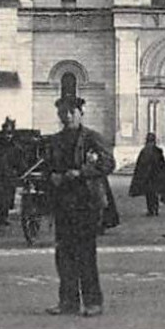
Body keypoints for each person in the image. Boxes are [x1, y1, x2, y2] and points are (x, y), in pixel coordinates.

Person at [45, 95, 115, 317]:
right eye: (62, 113)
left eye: (71, 112)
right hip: (63, 203)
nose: (66, 117)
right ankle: (68, 302)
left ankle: (93, 302)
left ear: (80, 114)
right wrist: (52, 177)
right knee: (63, 255)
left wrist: (82, 172)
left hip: (86, 203)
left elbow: (108, 163)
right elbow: (47, 167)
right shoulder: (55, 140)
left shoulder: (92, 138)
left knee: (85, 253)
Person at [128, 133, 165, 216]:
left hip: (148, 176)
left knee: (149, 194)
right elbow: (162, 164)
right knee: (153, 193)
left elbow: (140, 165)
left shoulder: (144, 151)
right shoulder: (157, 151)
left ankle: (151, 209)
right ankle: (154, 209)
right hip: (154, 175)